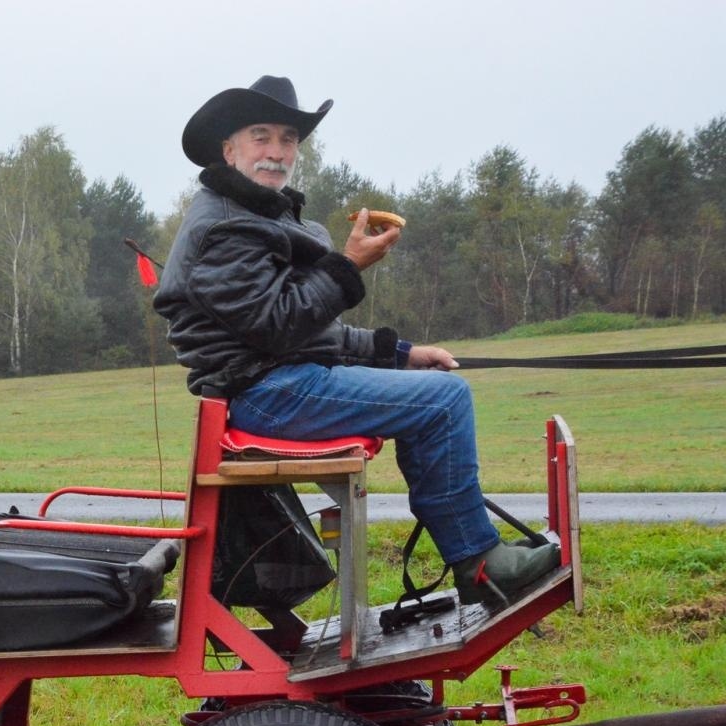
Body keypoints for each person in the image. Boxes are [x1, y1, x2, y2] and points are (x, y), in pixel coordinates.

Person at [154, 75, 560, 606]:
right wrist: (347, 266)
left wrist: (402, 355)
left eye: (288, 139)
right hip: (264, 394)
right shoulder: (226, 228)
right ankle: (480, 563)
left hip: (280, 380)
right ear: (228, 149)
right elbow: (279, 324)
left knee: (433, 393)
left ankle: (474, 555)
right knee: (444, 402)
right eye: (261, 136)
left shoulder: (255, 216)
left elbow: (308, 331)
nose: (277, 152)